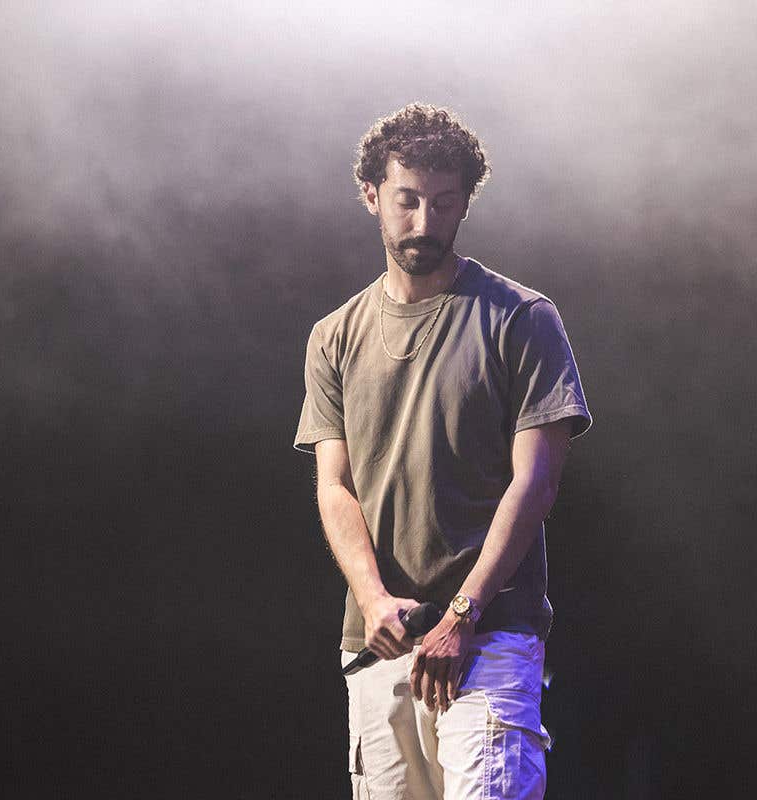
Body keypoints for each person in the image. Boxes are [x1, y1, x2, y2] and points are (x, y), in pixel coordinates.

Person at [294, 102, 591, 800]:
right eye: (407, 200)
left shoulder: (521, 318)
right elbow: (335, 486)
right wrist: (373, 601)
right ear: (372, 195)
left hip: (489, 639)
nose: (425, 222)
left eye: (444, 203)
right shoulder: (333, 336)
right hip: (380, 641)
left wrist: (462, 614)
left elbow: (535, 485)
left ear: (464, 205)